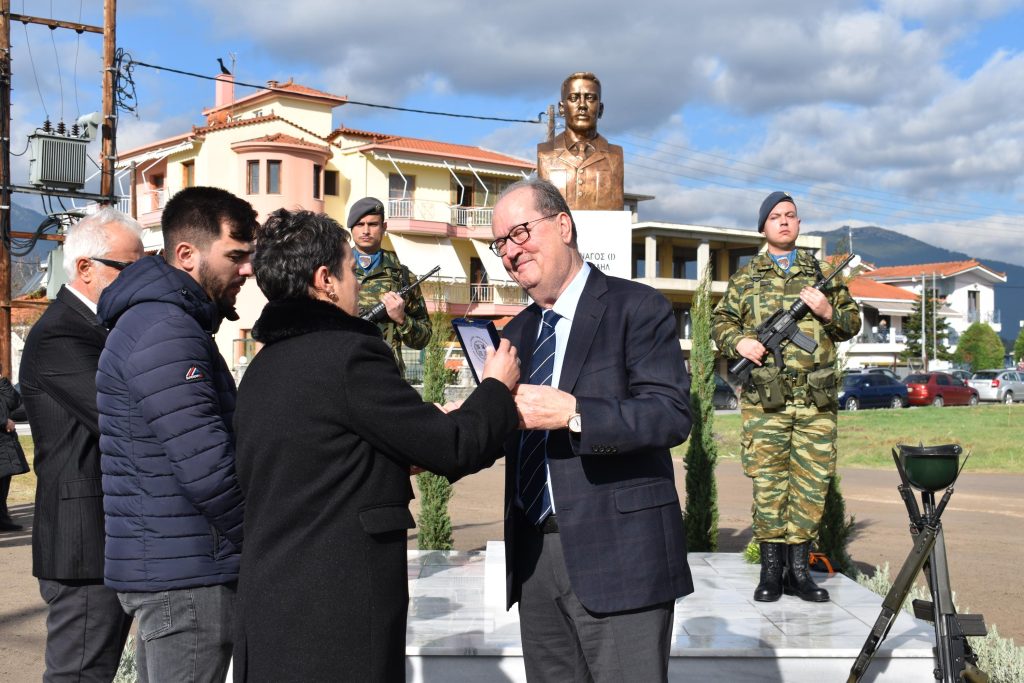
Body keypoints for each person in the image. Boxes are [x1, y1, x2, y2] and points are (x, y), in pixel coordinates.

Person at [232, 208, 519, 682]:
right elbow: (453, 446)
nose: (354, 282)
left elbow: (316, 462)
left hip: (271, 605)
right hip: (334, 616)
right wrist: (494, 386)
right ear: (324, 280)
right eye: (348, 269)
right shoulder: (349, 355)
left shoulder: (264, 366)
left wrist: (386, 460)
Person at [490, 178, 693, 681]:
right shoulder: (514, 335)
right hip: (535, 560)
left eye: (519, 233)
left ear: (563, 225)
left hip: (622, 559)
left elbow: (669, 413)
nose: (511, 253)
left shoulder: (637, 308)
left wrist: (575, 413)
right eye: (500, 245)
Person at [96, 186, 257, 682]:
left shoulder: (164, 321)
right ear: (186, 254)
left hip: (176, 568)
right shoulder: (166, 328)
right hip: (187, 579)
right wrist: (260, 537)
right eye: (235, 256)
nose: (246, 271)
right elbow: (208, 468)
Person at [711, 191, 860, 603]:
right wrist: (739, 342)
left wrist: (828, 311)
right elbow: (720, 322)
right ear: (763, 227)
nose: (784, 222)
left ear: (799, 224)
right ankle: (771, 571)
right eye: (775, 216)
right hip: (766, 402)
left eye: (791, 216)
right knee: (770, 485)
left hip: (816, 403)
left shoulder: (821, 273)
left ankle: (799, 572)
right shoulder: (746, 277)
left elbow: (852, 323)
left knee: (811, 487)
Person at [21, 208, 143, 681]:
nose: (137, 281)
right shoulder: (61, 334)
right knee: (80, 673)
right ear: (86, 268)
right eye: (127, 270)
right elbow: (122, 413)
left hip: (107, 536)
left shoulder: (100, 328)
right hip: (83, 542)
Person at [347, 197, 431, 377]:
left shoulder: (403, 278)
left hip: (385, 374)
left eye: (373, 224)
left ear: (384, 227)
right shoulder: (333, 273)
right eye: (360, 224)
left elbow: (423, 339)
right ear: (351, 228)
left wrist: (402, 319)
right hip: (343, 370)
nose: (366, 231)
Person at [536, 72, 624, 211]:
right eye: (574, 98)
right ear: (562, 108)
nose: (582, 105)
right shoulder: (545, 153)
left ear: (600, 109)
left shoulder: (615, 156)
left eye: (590, 98)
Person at [0, 376, 24, 532]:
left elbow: (15, 402)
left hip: (4, 442)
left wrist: (3, 382)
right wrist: (3, 421)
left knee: (3, 482)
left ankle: (2, 518)